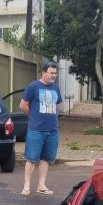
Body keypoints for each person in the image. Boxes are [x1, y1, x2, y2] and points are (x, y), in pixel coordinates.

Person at [19, 62, 62, 196]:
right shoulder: (33, 86)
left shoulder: (55, 88)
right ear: (43, 73)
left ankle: (41, 185)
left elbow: (58, 104)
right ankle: (26, 186)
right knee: (32, 159)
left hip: (52, 130)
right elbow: (23, 105)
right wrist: (33, 117)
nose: (53, 75)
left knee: (46, 159)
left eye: (55, 73)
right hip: (36, 129)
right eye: (51, 73)